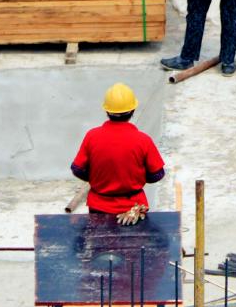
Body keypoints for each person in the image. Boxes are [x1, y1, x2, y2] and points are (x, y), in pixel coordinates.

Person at [70, 83, 167, 225]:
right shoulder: (143, 140)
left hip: (99, 206)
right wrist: (134, 178)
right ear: (133, 110)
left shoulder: (92, 136)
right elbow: (157, 174)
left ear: (107, 111)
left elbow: (77, 169)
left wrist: (96, 178)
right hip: (134, 208)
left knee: (100, 246)